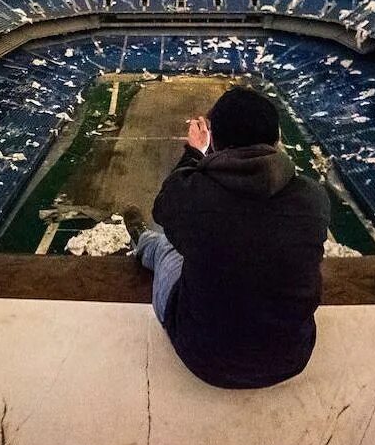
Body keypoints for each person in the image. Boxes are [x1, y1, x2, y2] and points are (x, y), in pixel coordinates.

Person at [124, 86, 330, 389]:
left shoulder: (195, 197)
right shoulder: (314, 198)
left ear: (215, 144)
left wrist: (195, 152)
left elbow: (165, 205)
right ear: (276, 141)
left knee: (167, 244)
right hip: (290, 355)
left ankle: (143, 245)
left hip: (206, 357)